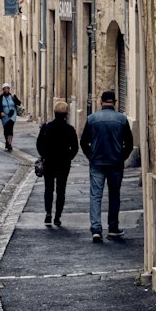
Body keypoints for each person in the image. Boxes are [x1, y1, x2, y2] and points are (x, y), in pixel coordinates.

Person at [79, 89, 134, 242]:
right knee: (114, 195)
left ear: (101, 102)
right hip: (115, 163)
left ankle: (96, 229)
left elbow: (84, 142)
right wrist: (121, 156)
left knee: (96, 196)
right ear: (114, 102)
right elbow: (129, 143)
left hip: (97, 162)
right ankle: (113, 227)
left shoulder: (92, 119)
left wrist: (91, 155)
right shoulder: (122, 119)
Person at [36, 98, 79, 226]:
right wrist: (68, 157)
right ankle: (57, 216)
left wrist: (44, 155)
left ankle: (48, 213)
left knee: (48, 188)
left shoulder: (47, 127)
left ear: (54, 113)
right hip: (63, 164)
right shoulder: (70, 129)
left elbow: (39, 144)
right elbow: (75, 147)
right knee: (61, 190)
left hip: (49, 162)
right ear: (66, 114)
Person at [0, 83, 18, 152]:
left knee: (10, 127)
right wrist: (1, 112)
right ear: (3, 89)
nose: (6, 89)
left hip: (12, 114)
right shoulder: (1, 97)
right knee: (6, 129)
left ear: (9, 89)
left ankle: (9, 143)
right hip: (4, 115)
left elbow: (18, 103)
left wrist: (16, 99)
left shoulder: (12, 96)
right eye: (5, 88)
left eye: (7, 88)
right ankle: (7, 141)